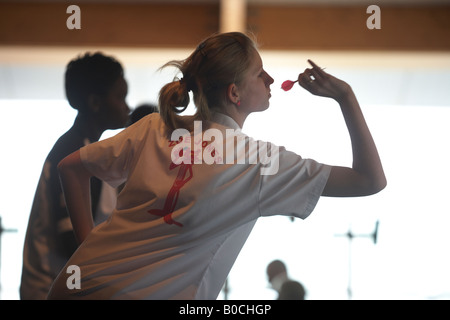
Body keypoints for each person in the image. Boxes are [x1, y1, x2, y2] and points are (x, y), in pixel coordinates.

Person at [47, 32, 386, 300]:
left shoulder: (155, 127)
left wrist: (88, 250)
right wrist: (345, 97)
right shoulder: (256, 161)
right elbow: (369, 180)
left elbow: (71, 169)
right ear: (235, 93)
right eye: (258, 72)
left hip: (74, 285)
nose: (269, 79)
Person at [20, 52, 130, 299]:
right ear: (95, 103)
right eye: (121, 97)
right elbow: (71, 239)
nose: (127, 106)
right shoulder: (74, 153)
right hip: (50, 288)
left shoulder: (87, 148)